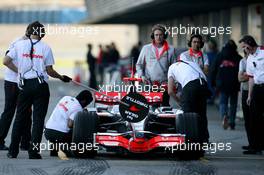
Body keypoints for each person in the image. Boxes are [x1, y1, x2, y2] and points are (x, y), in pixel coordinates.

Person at [3, 21, 72, 159]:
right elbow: (50, 71)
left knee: (19, 118)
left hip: (25, 86)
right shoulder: (46, 47)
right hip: (40, 87)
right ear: (42, 34)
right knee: (38, 120)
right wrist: (61, 77)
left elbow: (5, 61)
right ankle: (33, 152)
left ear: (29, 31)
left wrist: (20, 71)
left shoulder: (18, 45)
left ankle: (12, 151)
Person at [0, 24, 33, 151]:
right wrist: (19, 71)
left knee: (25, 111)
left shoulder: (25, 42)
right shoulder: (19, 42)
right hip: (13, 82)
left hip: (20, 82)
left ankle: (25, 142)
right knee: (10, 111)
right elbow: (6, 59)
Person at [167, 60, 210, 143]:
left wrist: (179, 101)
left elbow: (170, 91)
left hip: (190, 86)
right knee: (201, 114)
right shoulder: (191, 63)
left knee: (187, 115)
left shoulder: (171, 68)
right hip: (203, 84)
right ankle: (204, 139)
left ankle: (189, 141)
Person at [44, 90, 93, 159]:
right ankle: (67, 150)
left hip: (48, 131)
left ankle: (54, 149)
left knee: (59, 127)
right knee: (77, 128)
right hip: (59, 134)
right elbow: (70, 124)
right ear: (84, 101)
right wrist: (81, 118)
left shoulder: (66, 98)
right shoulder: (78, 108)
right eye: (87, 103)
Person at [136, 24, 176, 106]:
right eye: (156, 35)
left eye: (160, 35)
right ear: (153, 36)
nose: (158, 37)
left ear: (164, 35)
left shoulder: (171, 49)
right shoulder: (146, 48)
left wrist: (173, 82)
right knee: (152, 107)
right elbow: (139, 65)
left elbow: (174, 67)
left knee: (165, 106)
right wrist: (141, 76)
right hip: (150, 83)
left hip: (165, 84)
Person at [239, 35, 264, 155]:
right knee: (254, 118)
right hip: (257, 90)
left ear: (249, 44)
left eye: (244, 46)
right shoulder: (249, 59)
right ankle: (255, 146)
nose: (244, 49)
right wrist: (249, 95)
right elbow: (251, 78)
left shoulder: (263, 52)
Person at [210, 40, 242, 130]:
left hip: (222, 84)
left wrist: (213, 83)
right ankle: (232, 122)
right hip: (234, 84)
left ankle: (224, 115)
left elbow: (213, 70)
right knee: (233, 104)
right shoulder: (238, 57)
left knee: (223, 102)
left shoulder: (219, 56)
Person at [238, 50, 251, 151]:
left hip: (256, 91)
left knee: (257, 119)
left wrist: (247, 75)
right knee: (248, 119)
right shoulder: (243, 62)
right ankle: (251, 143)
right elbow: (240, 78)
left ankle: (257, 143)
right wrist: (251, 76)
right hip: (246, 90)